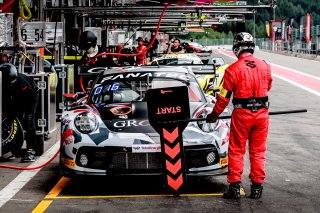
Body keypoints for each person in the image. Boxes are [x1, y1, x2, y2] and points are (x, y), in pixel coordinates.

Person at [206, 32, 272, 199]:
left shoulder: (232, 69)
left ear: (237, 49)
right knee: (258, 151)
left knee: (236, 150)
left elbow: (223, 98)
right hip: (262, 113)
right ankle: (257, 187)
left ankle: (234, 187)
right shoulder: (265, 65)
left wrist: (214, 115)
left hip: (242, 114)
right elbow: (268, 86)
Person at [0, 63, 40, 162]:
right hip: (14, 96)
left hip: (30, 95)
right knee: (6, 118)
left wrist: (10, 116)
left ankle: (31, 151)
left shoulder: (23, 84)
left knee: (28, 119)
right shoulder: (3, 81)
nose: (11, 83)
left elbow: (18, 106)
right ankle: (12, 149)